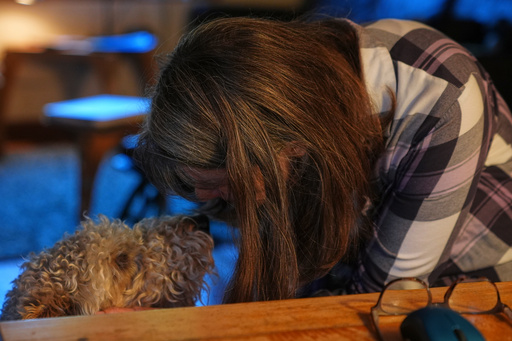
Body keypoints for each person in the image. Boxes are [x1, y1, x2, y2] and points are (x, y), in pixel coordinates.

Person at [133, 16, 512, 303]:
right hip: (354, 254)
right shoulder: (287, 105)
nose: (210, 198)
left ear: (293, 143)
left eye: (225, 186)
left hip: (476, 280)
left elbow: (385, 301)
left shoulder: (443, 97)